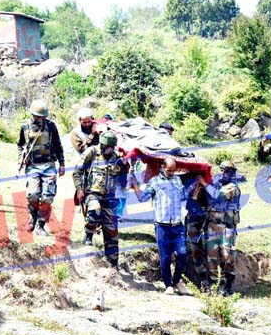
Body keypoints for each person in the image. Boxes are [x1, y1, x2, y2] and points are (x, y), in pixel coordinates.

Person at [130, 157, 196, 295]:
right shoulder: (155, 182)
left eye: (173, 170)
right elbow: (142, 198)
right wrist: (134, 183)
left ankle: (177, 281)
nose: (171, 173)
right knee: (165, 257)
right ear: (163, 167)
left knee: (183, 254)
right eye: (169, 170)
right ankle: (168, 285)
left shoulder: (177, 180)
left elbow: (183, 196)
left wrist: (195, 186)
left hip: (177, 225)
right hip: (162, 226)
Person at [72, 131, 129, 268]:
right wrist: (79, 189)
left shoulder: (118, 158)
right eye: (105, 147)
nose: (107, 150)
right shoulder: (91, 152)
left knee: (112, 231)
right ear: (102, 144)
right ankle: (88, 235)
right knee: (94, 210)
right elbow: (77, 172)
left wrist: (126, 167)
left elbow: (123, 181)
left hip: (110, 198)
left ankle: (113, 262)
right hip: (92, 193)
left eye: (110, 148)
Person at [17, 100, 65, 236]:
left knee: (47, 197)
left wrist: (62, 164)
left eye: (42, 117)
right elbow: (20, 145)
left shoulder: (51, 126)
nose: (40, 119)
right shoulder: (25, 126)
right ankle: (33, 217)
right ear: (32, 114)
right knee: (33, 194)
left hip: (49, 165)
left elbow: (58, 145)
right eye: (38, 116)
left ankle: (41, 224)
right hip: (32, 166)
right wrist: (20, 159)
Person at [198, 160, 242, 296]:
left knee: (227, 257)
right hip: (212, 226)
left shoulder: (233, 187)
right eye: (222, 170)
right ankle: (213, 286)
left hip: (227, 228)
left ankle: (227, 286)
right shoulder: (215, 185)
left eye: (227, 170)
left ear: (232, 173)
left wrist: (204, 183)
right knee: (211, 258)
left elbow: (219, 196)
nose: (223, 173)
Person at [183, 175, 210, 290]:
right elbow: (186, 203)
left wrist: (204, 185)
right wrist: (193, 194)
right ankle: (203, 280)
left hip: (206, 218)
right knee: (195, 249)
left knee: (210, 249)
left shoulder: (208, 184)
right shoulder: (187, 183)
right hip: (192, 218)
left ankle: (212, 281)